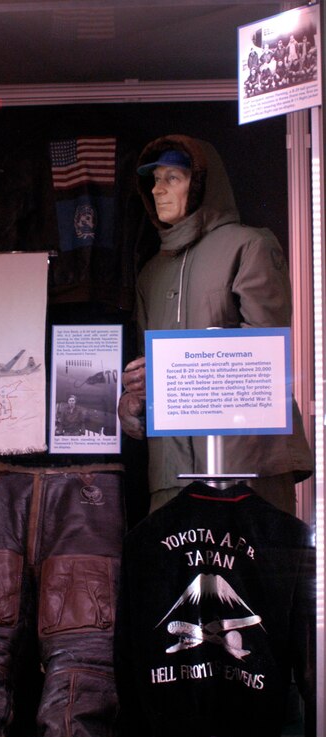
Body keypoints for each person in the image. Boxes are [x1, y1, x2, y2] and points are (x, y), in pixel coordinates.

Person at [118, 135, 313, 515]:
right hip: (171, 476)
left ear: (202, 183)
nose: (158, 189)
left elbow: (264, 360)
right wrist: (134, 401)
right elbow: (151, 367)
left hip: (247, 469)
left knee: (249, 576)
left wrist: (167, 371)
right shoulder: (150, 274)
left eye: (172, 177)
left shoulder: (250, 247)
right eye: (155, 179)